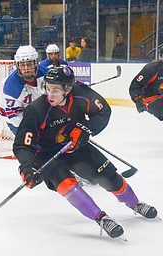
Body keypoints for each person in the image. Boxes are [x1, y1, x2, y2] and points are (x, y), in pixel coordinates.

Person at [13, 67, 158, 240]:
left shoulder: (80, 93)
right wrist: (27, 167)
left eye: (56, 90)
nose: (50, 95)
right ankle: (101, 218)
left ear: (67, 89)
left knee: (110, 177)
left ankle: (135, 203)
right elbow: (22, 145)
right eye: (47, 88)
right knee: (68, 186)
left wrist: (86, 129)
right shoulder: (36, 110)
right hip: (47, 155)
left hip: (76, 147)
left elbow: (103, 111)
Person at [0, 45, 49, 134]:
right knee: (32, 144)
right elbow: (14, 117)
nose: (26, 69)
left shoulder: (47, 74)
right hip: (16, 119)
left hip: (37, 110)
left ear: (36, 63)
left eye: (29, 64)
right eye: (22, 65)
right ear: (17, 65)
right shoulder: (11, 88)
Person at [129, 47, 163, 120]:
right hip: (150, 100)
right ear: (162, 56)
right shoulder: (151, 69)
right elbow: (135, 85)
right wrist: (138, 100)